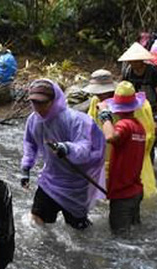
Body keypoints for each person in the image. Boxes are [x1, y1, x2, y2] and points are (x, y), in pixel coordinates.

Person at [21, 79, 105, 230]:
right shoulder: (33, 120)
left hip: (75, 183)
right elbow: (29, 143)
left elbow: (85, 149)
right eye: (34, 102)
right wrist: (26, 168)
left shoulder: (74, 120)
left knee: (79, 230)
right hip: (49, 180)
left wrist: (66, 148)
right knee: (36, 219)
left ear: (53, 101)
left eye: (42, 102)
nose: (37, 107)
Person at [85, 69, 157, 199]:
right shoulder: (96, 101)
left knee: (130, 193)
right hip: (104, 156)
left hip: (128, 156)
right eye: (97, 93)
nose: (100, 96)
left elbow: (148, 136)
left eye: (104, 93)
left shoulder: (136, 107)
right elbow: (90, 127)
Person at [95, 81, 147, 235]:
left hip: (123, 195)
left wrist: (104, 114)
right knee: (133, 235)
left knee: (120, 239)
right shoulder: (139, 126)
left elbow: (110, 137)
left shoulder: (124, 125)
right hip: (136, 191)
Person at [120, 42, 157, 157]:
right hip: (134, 110)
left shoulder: (153, 72)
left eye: (135, 60)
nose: (133, 63)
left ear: (141, 60)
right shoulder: (128, 71)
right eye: (131, 60)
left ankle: (149, 167)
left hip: (152, 110)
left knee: (150, 141)